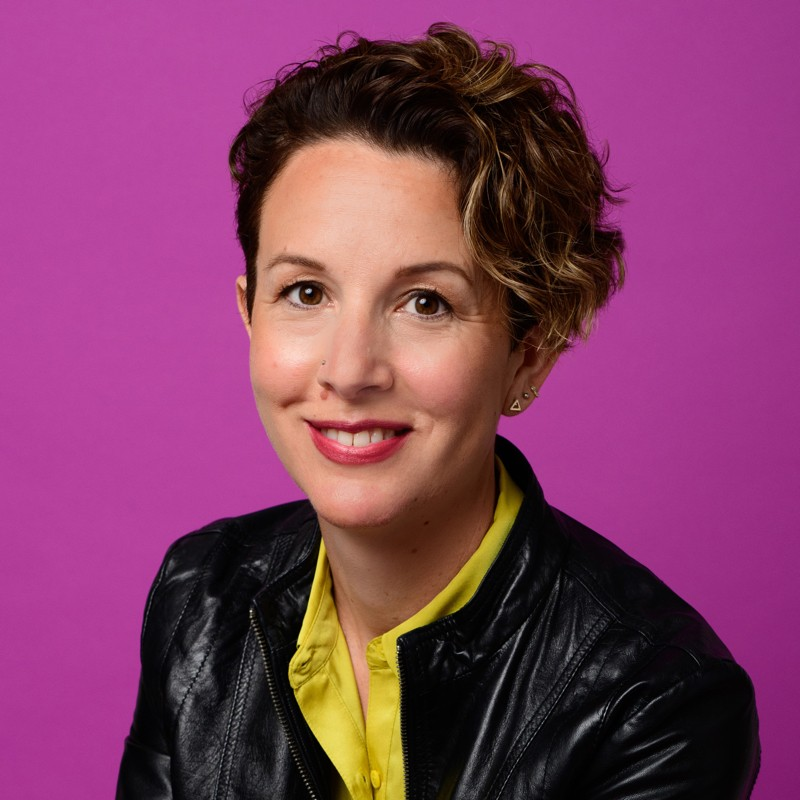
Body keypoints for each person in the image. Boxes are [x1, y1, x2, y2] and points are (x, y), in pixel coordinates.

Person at [117, 23, 759, 799]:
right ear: (250, 314)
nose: (350, 370)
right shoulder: (198, 599)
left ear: (529, 351)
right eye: (306, 292)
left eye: (426, 302)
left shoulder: (656, 705)